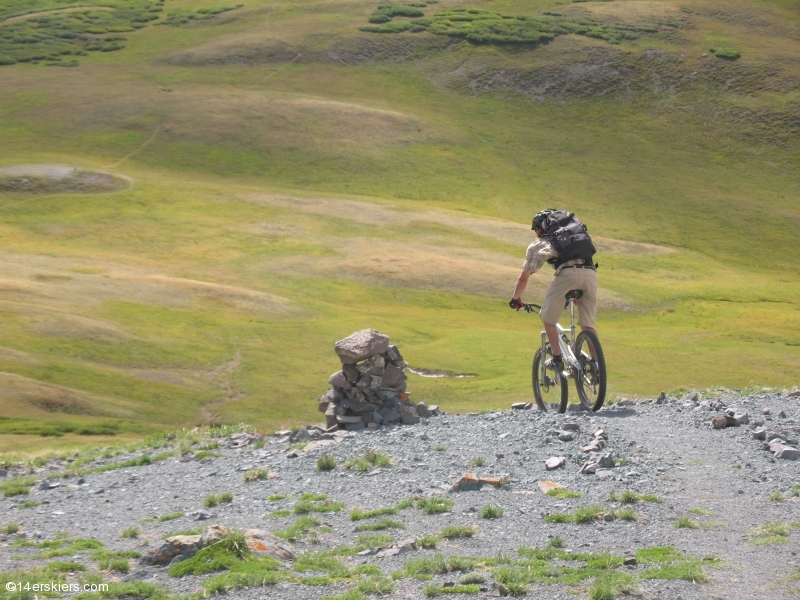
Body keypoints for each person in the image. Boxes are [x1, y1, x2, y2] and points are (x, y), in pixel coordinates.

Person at [508, 209, 598, 372]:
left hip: (568, 275)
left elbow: (524, 278)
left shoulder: (540, 243)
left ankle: (557, 359)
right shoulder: (573, 235)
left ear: (540, 228)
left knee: (547, 317)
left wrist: (515, 299)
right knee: (587, 325)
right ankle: (597, 366)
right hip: (590, 273)